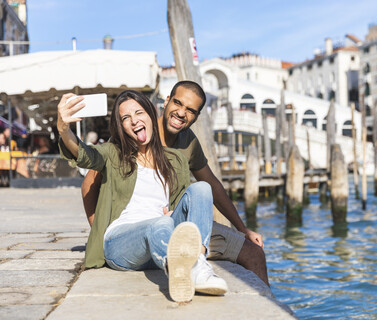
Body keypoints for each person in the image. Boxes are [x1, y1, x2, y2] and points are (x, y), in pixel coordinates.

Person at [82, 81, 269, 285]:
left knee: (254, 253)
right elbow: (89, 184)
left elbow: (212, 185)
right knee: (158, 229)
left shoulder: (188, 142)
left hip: (182, 224)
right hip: (142, 231)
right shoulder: (134, 132)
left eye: (190, 110)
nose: (181, 113)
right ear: (167, 101)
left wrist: (243, 228)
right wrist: (100, 231)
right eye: (178, 103)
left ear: (196, 117)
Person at [57, 90, 227, 302]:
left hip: (160, 240)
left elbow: (181, 202)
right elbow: (84, 154)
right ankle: (183, 269)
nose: (134, 120)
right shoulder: (112, 153)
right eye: (125, 118)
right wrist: (64, 129)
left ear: (150, 115)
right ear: (121, 127)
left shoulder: (175, 160)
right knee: (159, 224)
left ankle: (197, 265)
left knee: (201, 188)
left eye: (139, 113)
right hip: (122, 243)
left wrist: (174, 212)